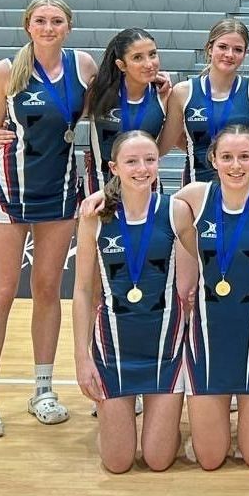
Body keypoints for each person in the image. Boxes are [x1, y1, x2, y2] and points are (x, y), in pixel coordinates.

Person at [0, 0, 97, 439]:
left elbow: (111, 106)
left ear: (68, 27)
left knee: (46, 290)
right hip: (7, 193)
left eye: (56, 20)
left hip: (61, 195)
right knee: (0, 293)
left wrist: (156, 86)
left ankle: (43, 390)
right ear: (28, 26)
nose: (48, 27)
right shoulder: (6, 70)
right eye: (40, 20)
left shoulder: (83, 66)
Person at [170, 125, 249, 468]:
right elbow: (146, 205)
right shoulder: (193, 197)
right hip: (207, 342)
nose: (236, 165)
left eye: (245, 156)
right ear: (212, 159)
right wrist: (102, 197)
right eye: (227, 157)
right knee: (210, 460)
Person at [72, 131, 191, 472]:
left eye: (150, 160)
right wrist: (82, 358)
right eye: (132, 161)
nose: (142, 168)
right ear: (114, 167)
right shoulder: (94, 216)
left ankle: (173, 432)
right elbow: (82, 291)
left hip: (166, 350)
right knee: (118, 463)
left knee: (157, 460)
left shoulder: (176, 211)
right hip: (113, 350)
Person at [160, 19, 249, 185]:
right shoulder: (183, 92)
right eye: (223, 47)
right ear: (209, 48)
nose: (229, 54)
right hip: (196, 187)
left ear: (245, 54)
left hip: (241, 186)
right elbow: (164, 145)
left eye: (238, 49)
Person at [86, 29, 167, 196]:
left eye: (152, 54)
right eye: (138, 57)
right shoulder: (97, 90)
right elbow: (58, 117)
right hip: (100, 187)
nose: (149, 63)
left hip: (146, 186)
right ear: (121, 65)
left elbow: (177, 141)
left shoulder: (165, 95)